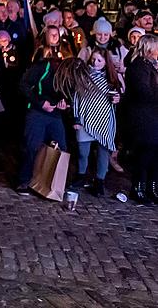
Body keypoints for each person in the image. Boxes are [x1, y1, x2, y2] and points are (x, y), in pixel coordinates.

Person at [55, 53, 119, 197]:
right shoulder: (82, 75)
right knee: (83, 151)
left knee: (103, 151)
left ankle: (100, 181)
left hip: (103, 118)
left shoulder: (110, 78)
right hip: (85, 118)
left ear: (105, 62)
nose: (95, 63)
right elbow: (77, 98)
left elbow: (117, 95)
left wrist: (116, 99)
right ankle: (81, 175)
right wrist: (76, 119)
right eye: (93, 59)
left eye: (99, 60)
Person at [17, 35, 67, 195]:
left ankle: (52, 183)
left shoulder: (66, 71)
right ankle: (24, 180)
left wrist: (65, 103)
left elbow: (69, 91)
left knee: (61, 147)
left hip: (55, 114)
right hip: (38, 112)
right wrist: (40, 102)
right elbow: (24, 85)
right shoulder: (41, 66)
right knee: (32, 145)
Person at [123, 34, 158, 204]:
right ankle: (138, 188)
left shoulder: (152, 67)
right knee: (145, 153)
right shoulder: (137, 67)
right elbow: (144, 92)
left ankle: (152, 188)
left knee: (155, 154)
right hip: (142, 117)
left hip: (153, 115)